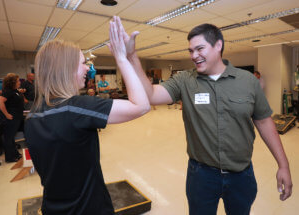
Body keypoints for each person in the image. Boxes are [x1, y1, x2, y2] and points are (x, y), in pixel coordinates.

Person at [115, 17, 293, 215]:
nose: (194, 55)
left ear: (218, 45)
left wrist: (283, 165)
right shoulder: (185, 80)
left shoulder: (248, 81)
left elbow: (264, 121)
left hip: (241, 175)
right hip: (201, 176)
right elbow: (150, 95)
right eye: (191, 50)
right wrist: (132, 57)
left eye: (199, 49)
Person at [24, 16, 150, 215]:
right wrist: (121, 58)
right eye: (83, 63)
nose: (88, 69)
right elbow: (141, 105)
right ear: (67, 68)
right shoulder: (76, 108)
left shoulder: (32, 118)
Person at [0, 73, 23, 162]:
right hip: (10, 119)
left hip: (16, 118)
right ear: (12, 82)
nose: (19, 82)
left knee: (11, 137)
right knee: (8, 138)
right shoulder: (8, 91)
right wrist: (6, 114)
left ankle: (15, 154)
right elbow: (0, 102)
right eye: (17, 81)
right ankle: (10, 158)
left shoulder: (14, 90)